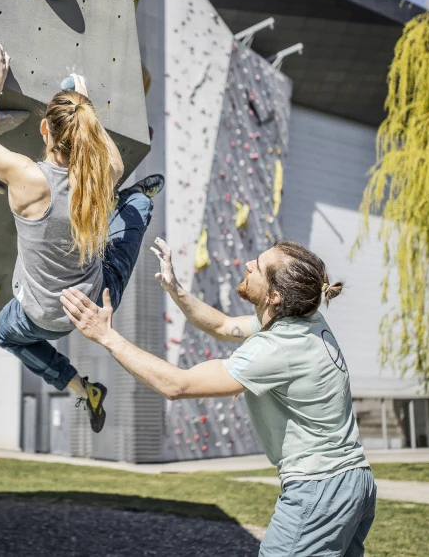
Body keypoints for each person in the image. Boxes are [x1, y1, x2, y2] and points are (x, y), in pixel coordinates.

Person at [61, 237, 376, 556]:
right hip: (355, 481)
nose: (249, 265)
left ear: (274, 295)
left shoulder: (277, 347)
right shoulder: (304, 319)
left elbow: (178, 385)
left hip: (319, 488)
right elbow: (222, 325)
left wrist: (106, 336)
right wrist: (176, 289)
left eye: (259, 266)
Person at [0, 44, 165, 433]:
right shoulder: (100, 175)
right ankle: (137, 200)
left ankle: (79, 386)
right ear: (89, 132)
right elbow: (113, 162)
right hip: (93, 302)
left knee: (5, 336)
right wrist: (85, 106)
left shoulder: (25, 176)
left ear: (45, 129)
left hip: (41, 316)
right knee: (134, 211)